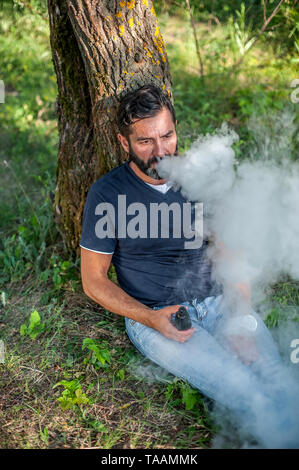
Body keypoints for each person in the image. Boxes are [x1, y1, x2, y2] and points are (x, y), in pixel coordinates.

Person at [80, 84, 299, 448]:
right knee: (240, 389)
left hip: (218, 301)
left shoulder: (199, 177)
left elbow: (231, 253)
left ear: (176, 128)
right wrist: (150, 319)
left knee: (278, 378)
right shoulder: (107, 195)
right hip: (155, 316)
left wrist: (241, 316)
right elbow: (93, 281)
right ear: (123, 142)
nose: (161, 151)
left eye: (167, 136)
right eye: (145, 141)